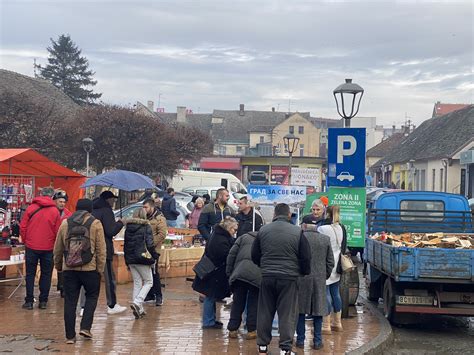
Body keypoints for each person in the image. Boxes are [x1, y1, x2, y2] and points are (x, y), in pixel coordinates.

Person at [251, 203, 311, 355]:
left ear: (274, 214)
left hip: (268, 276)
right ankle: (285, 349)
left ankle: (262, 346)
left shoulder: (263, 230)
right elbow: (305, 257)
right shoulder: (297, 232)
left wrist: (264, 266)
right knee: (287, 314)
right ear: (289, 215)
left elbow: (254, 255)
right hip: (289, 278)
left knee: (265, 311)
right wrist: (302, 272)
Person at [53, 199, 106, 344]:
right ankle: (85, 327)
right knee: (92, 297)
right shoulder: (95, 224)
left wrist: (59, 266)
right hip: (90, 269)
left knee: (70, 301)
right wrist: (100, 269)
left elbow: (58, 247)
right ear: (90, 210)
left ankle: (70, 336)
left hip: (69, 269)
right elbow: (101, 250)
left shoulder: (65, 223)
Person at [20, 186, 61, 310]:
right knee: (46, 274)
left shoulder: (31, 208)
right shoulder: (55, 211)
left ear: (40, 194)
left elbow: (23, 227)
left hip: (31, 246)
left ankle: (29, 301)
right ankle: (43, 301)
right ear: (52, 196)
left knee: (30, 274)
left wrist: (26, 240)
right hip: (48, 247)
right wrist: (54, 244)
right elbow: (57, 230)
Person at [192, 216, 238, 329]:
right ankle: (208, 322)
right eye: (234, 229)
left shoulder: (217, 235)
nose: (235, 232)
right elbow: (224, 256)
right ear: (228, 228)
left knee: (210, 296)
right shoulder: (220, 239)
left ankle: (210, 320)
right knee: (210, 296)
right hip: (213, 273)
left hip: (211, 271)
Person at [296, 225, 335, 350]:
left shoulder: (299, 238)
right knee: (318, 311)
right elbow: (330, 262)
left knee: (300, 311)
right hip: (319, 278)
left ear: (304, 226)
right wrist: (324, 275)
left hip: (302, 278)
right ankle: (317, 341)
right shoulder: (325, 239)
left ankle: (300, 340)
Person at [92, 190, 127, 315]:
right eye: (113, 199)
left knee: (90, 278)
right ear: (108, 199)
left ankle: (84, 306)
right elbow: (110, 231)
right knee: (109, 278)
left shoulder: (93, 209)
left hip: (91, 249)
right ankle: (112, 304)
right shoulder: (106, 211)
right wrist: (120, 223)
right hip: (104, 249)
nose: (114, 202)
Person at [124, 208, 160, 319]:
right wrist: (154, 255)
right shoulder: (146, 227)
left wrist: (126, 260)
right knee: (149, 281)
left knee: (137, 282)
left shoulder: (128, 228)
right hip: (142, 258)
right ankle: (138, 302)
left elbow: (125, 244)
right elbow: (150, 244)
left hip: (131, 258)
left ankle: (139, 309)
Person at [317, 205, 347, 334]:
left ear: (326, 214)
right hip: (338, 264)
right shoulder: (341, 228)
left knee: (326, 293)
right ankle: (338, 323)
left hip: (325, 263)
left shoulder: (323, 228)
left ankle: (326, 325)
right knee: (336, 293)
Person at [226, 230, 261, 340]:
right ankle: (251, 330)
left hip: (240, 273)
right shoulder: (265, 239)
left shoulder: (243, 237)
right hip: (256, 275)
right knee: (253, 303)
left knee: (238, 301)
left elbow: (231, 255)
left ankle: (233, 329)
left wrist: (229, 273)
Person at [143, 198, 167, 306]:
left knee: (154, 273)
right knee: (147, 273)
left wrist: (151, 244)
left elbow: (162, 234)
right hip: (144, 250)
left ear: (152, 207)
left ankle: (159, 296)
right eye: (143, 207)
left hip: (154, 250)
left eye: (146, 207)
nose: (144, 209)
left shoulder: (159, 219)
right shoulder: (143, 217)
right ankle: (150, 294)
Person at [53, 190, 72, 298]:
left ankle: (63, 287)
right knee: (54, 264)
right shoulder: (51, 212)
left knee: (64, 265)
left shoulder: (68, 214)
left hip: (64, 243)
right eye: (60, 201)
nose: (62, 204)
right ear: (55, 201)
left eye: (64, 202)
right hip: (51, 243)